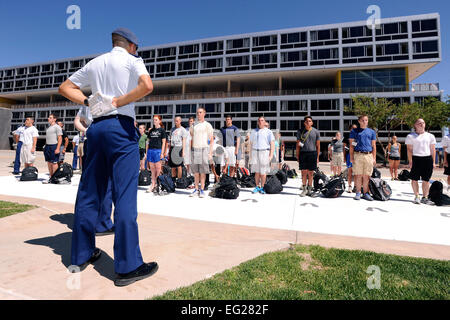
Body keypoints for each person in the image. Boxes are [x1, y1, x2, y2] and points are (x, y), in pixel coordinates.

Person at [58, 27, 157, 286]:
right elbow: (147, 85)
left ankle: (81, 255)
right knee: (124, 194)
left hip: (96, 129)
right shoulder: (133, 60)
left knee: (89, 192)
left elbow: (65, 87)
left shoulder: (95, 63)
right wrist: (118, 101)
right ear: (132, 46)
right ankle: (127, 266)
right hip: (121, 127)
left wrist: (89, 102)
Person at [405, 119, 436, 205]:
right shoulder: (410, 136)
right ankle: (417, 196)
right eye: (419, 123)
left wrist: (433, 162)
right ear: (415, 125)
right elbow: (409, 150)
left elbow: (433, 150)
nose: (421, 124)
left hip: (427, 159)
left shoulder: (430, 136)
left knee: (426, 180)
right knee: (414, 179)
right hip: (416, 159)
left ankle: (425, 197)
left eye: (423, 123)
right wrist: (410, 161)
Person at [349, 115, 376, 201]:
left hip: (368, 155)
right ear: (359, 121)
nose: (365, 122)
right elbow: (352, 145)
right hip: (358, 155)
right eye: (363, 120)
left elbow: (373, 145)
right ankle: (358, 192)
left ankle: (366, 193)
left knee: (366, 176)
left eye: (366, 120)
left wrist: (374, 158)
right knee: (358, 175)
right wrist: (351, 157)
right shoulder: (354, 131)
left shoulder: (372, 132)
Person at [189, 107, 214, 198]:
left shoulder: (208, 125)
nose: (198, 114)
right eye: (197, 112)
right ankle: (196, 189)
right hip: (195, 150)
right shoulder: (193, 125)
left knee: (202, 172)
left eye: (200, 112)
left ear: (204, 113)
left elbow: (211, 140)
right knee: (196, 172)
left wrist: (210, 153)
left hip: (204, 149)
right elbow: (192, 137)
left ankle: (202, 190)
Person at [296, 116, 320, 197]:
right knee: (303, 173)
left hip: (312, 153)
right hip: (303, 154)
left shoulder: (316, 131)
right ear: (304, 123)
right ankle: (304, 189)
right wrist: (297, 155)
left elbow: (318, 145)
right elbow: (298, 144)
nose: (308, 122)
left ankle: (310, 189)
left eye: (310, 121)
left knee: (310, 173)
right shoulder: (300, 131)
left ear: (312, 123)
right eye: (306, 121)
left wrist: (317, 157)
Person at [249, 116, 275, 194]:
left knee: (263, 172)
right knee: (257, 172)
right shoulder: (254, 131)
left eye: (262, 120)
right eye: (259, 120)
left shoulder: (268, 131)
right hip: (255, 152)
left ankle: (263, 187)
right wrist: (251, 155)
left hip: (264, 152)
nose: (260, 122)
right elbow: (251, 143)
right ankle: (257, 187)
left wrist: (270, 155)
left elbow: (272, 144)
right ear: (257, 122)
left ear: (264, 122)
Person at [146, 115, 167, 193]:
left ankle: (158, 185)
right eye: (154, 120)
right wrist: (147, 151)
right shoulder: (151, 131)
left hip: (158, 151)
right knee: (152, 170)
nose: (154, 121)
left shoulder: (162, 130)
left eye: (156, 120)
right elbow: (148, 142)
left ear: (159, 121)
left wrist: (162, 153)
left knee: (158, 169)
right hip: (151, 151)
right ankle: (153, 184)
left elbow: (164, 142)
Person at [43, 113, 62, 181]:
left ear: (54, 119)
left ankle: (55, 177)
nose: (48, 118)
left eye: (50, 117)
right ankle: (51, 176)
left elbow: (60, 138)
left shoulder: (57, 127)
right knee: (49, 162)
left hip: (54, 146)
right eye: (49, 117)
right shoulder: (49, 127)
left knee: (54, 162)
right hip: (48, 146)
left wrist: (57, 148)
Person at [344, 124, 357, 192]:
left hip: (357, 155)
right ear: (350, 129)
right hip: (349, 155)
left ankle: (355, 186)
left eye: (355, 128)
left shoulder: (358, 136)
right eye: (353, 128)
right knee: (350, 171)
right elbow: (344, 147)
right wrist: (344, 157)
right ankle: (349, 186)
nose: (354, 129)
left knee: (356, 172)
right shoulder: (346, 136)